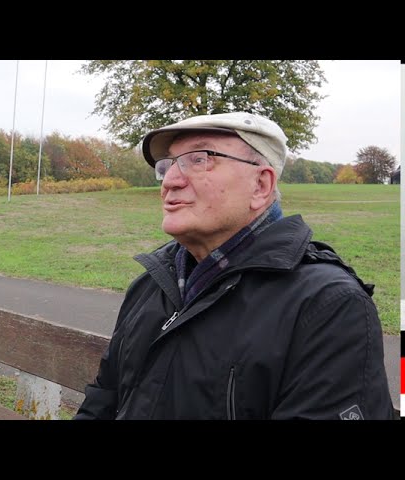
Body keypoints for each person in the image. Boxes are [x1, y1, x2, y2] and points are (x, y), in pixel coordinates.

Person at [74, 111, 394, 420]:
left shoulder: (327, 307)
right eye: (168, 164)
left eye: (198, 159)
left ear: (260, 186)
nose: (169, 180)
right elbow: (102, 399)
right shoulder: (150, 286)